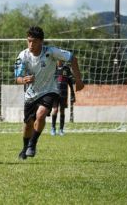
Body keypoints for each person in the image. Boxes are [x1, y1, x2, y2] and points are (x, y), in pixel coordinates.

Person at [14, 26, 84, 160]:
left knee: (41, 115)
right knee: (28, 124)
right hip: (31, 94)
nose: (30, 44)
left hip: (49, 90)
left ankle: (32, 145)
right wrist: (23, 79)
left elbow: (72, 58)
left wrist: (78, 80)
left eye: (33, 41)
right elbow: (16, 78)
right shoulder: (23, 56)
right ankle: (25, 148)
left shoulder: (50, 52)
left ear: (41, 41)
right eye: (28, 41)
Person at [51, 60, 75, 136]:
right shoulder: (52, 68)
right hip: (54, 93)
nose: (59, 60)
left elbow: (70, 82)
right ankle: (53, 128)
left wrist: (73, 93)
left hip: (64, 93)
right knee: (55, 110)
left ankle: (61, 129)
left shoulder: (66, 69)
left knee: (62, 110)